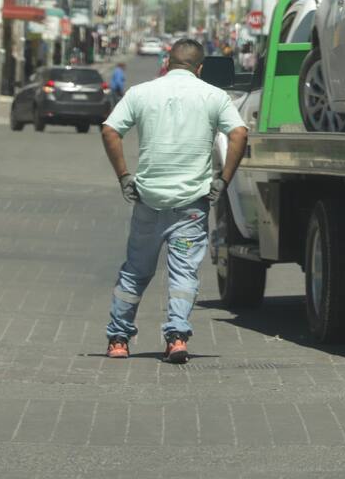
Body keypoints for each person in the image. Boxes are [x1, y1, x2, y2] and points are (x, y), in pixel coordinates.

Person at [99, 38, 249, 363]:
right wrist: (223, 180)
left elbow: (110, 130)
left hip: (148, 201)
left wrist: (124, 176)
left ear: (166, 62)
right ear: (200, 67)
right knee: (183, 274)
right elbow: (239, 133)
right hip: (191, 208)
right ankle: (177, 338)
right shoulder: (214, 96)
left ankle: (118, 340)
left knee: (135, 272)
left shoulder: (141, 93)